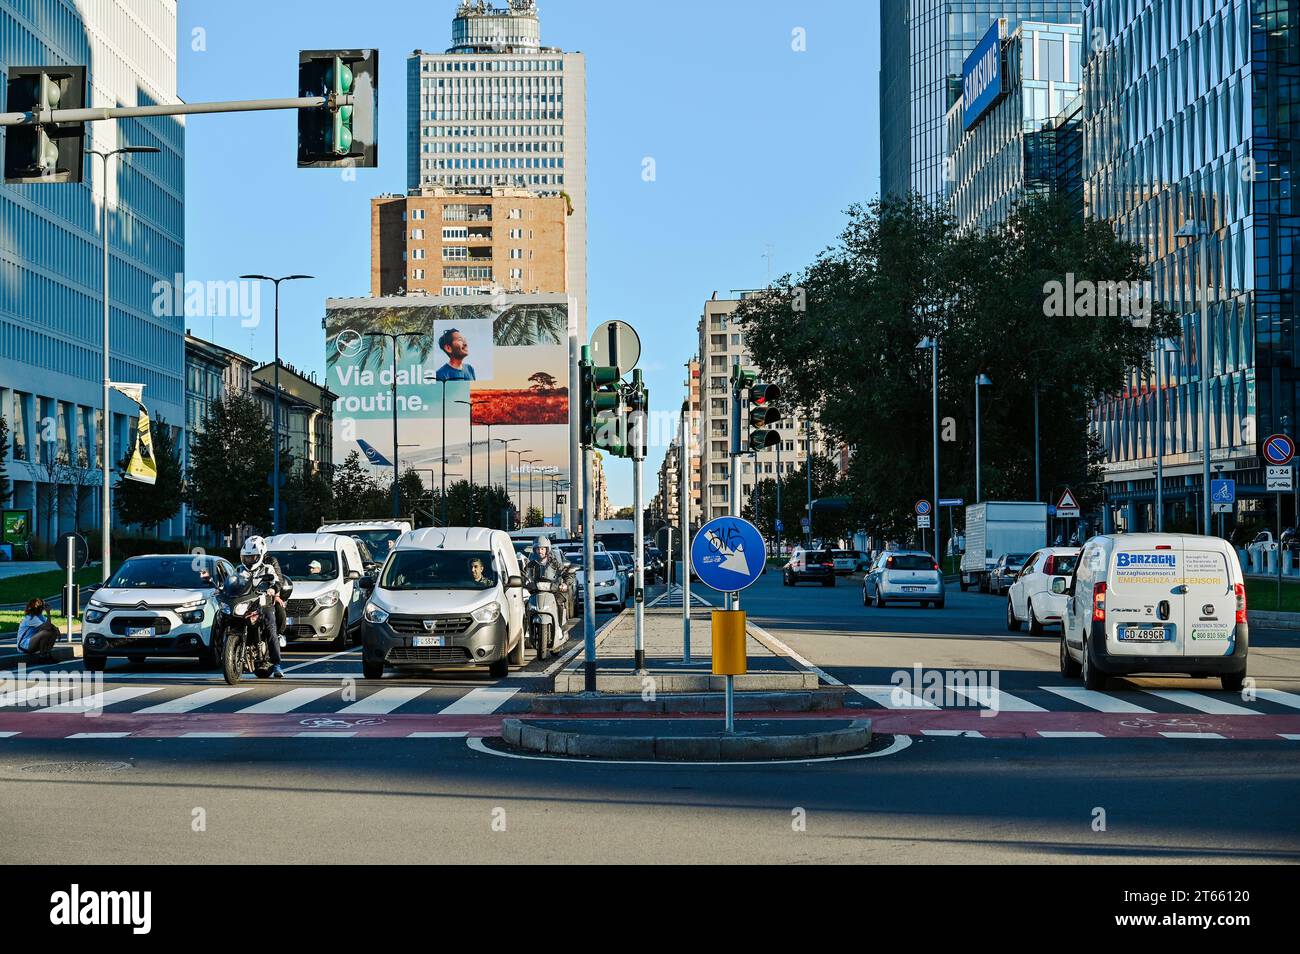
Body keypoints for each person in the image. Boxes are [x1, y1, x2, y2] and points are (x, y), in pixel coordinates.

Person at [239, 535, 286, 679]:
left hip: (264, 602)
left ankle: (277, 664)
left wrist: (273, 590)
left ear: (260, 555)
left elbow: (278, 581)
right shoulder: (240, 568)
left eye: (253, 557)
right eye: (247, 557)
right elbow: (232, 581)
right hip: (246, 603)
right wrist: (223, 588)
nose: (249, 560)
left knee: (270, 628)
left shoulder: (268, 567)